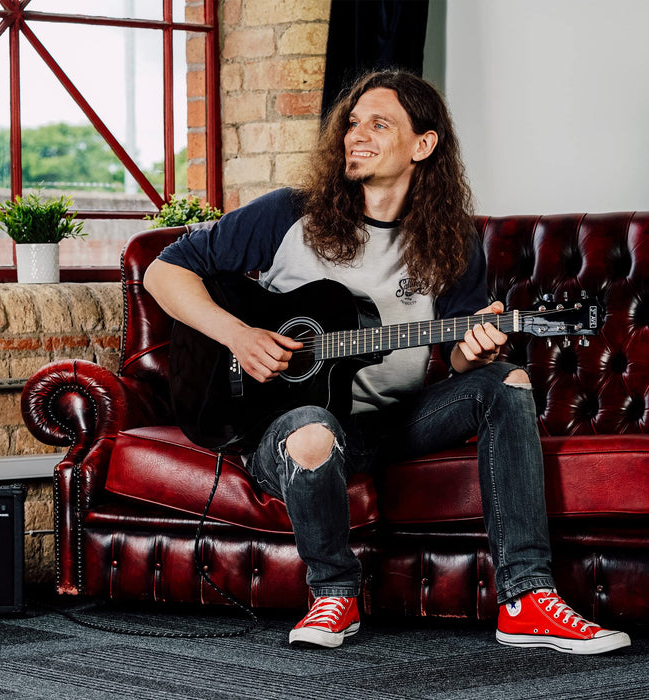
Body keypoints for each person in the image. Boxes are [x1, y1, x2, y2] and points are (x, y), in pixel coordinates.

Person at [143, 69, 631, 654]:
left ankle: (526, 598)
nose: (356, 135)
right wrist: (240, 335)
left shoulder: (448, 240)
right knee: (312, 429)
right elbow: (163, 271)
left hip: (393, 425)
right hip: (285, 429)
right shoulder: (287, 213)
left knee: (506, 382)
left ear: (423, 145)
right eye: (353, 123)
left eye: (379, 124)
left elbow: (457, 357)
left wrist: (475, 349)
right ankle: (333, 594)